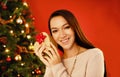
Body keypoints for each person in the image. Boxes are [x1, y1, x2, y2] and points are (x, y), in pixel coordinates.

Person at [34, 9, 105, 77]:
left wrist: (57, 66)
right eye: (55, 31)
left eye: (66, 27)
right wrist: (49, 65)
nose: (62, 35)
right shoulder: (55, 61)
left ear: (74, 28)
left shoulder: (94, 55)